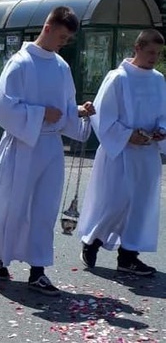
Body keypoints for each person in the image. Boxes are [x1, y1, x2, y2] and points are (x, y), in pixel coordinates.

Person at [0, 6, 95, 296]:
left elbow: (65, 108)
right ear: (47, 28)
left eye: (67, 39)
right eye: (61, 36)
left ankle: (38, 271)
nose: (63, 43)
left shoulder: (61, 67)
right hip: (21, 145)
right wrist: (41, 113)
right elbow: (1, 107)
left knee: (44, 209)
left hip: (50, 148)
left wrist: (79, 112)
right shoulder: (20, 63)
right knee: (12, 205)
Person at [78, 29, 166, 276]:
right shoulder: (118, 78)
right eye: (150, 52)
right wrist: (128, 135)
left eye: (158, 54)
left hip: (147, 153)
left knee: (141, 204)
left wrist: (161, 130)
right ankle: (92, 240)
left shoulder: (158, 80)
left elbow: (163, 112)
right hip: (120, 152)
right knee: (116, 201)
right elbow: (103, 115)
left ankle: (128, 256)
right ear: (137, 48)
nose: (154, 58)